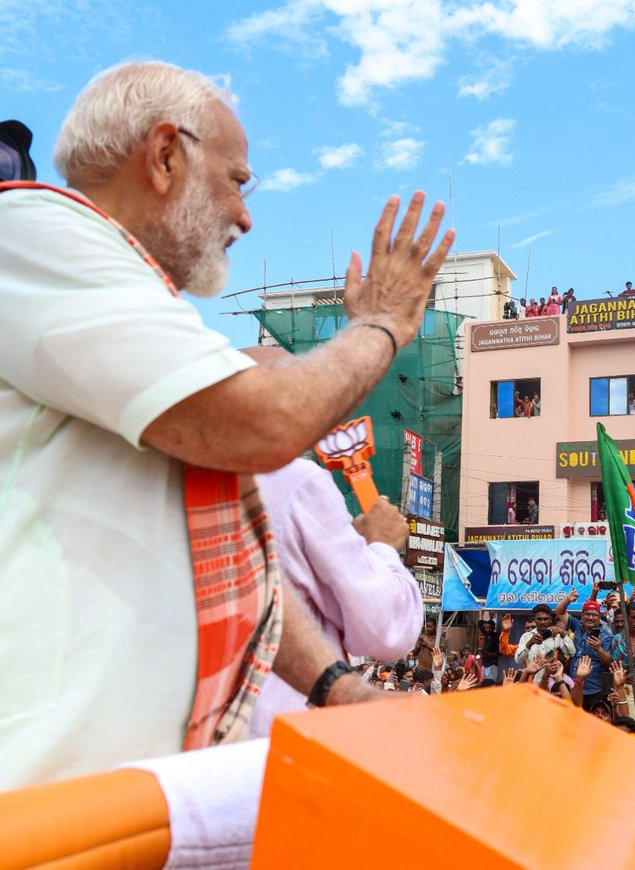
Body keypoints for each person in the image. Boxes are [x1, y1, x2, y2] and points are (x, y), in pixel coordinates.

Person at [0, 60, 454, 789]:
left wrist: (338, 688)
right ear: (165, 155)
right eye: (238, 181)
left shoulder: (132, 320)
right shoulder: (30, 233)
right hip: (42, 808)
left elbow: (238, 571)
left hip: (130, 806)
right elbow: (265, 423)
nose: (245, 216)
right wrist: (383, 324)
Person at [248, 453, 424, 738]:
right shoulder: (295, 481)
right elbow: (385, 629)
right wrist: (381, 545)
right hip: (281, 738)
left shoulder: (171, 473)